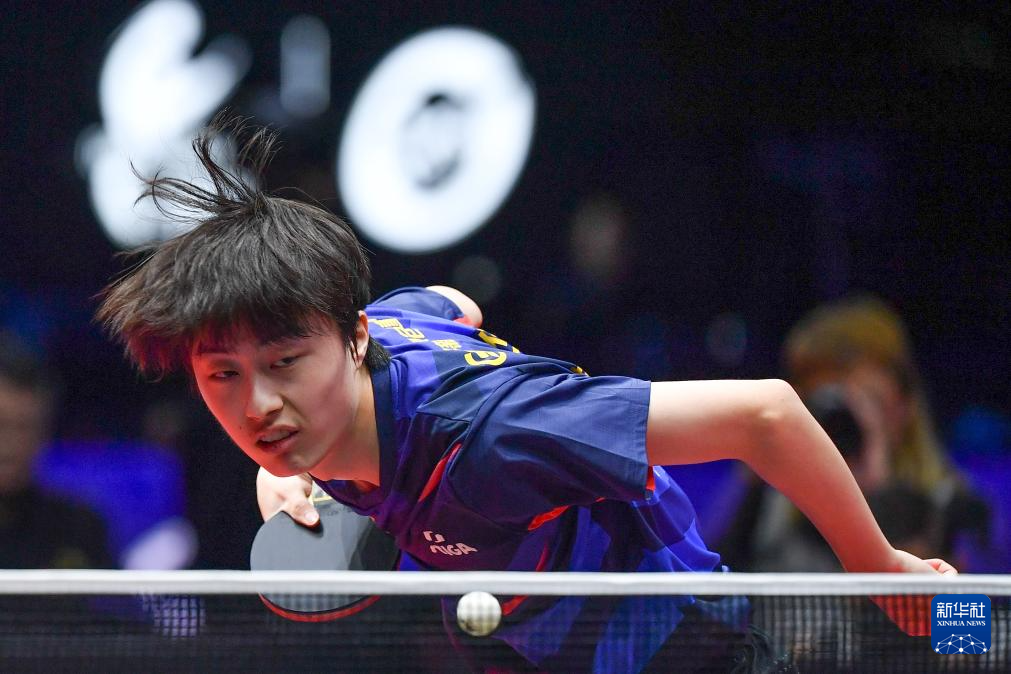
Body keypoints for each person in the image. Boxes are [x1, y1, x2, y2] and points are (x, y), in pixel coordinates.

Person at [97, 118, 955, 673]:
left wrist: (877, 567)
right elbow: (447, 306)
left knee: (970, 638)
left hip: (688, 651)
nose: (257, 406)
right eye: (222, 376)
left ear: (352, 339)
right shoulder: (380, 335)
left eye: (285, 362)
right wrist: (286, 473)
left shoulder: (500, 438)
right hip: (530, 645)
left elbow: (764, 412)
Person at [719, 297, 989, 573]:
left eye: (869, 400)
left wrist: (876, 492)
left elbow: (963, 602)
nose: (853, 420)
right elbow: (715, 588)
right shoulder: (773, 499)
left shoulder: (953, 508)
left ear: (905, 405)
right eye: (833, 405)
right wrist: (754, 479)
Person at [0, 331, 113, 569]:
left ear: (44, 433)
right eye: (1, 425)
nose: (9, 443)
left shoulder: (80, 527)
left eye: (24, 427)